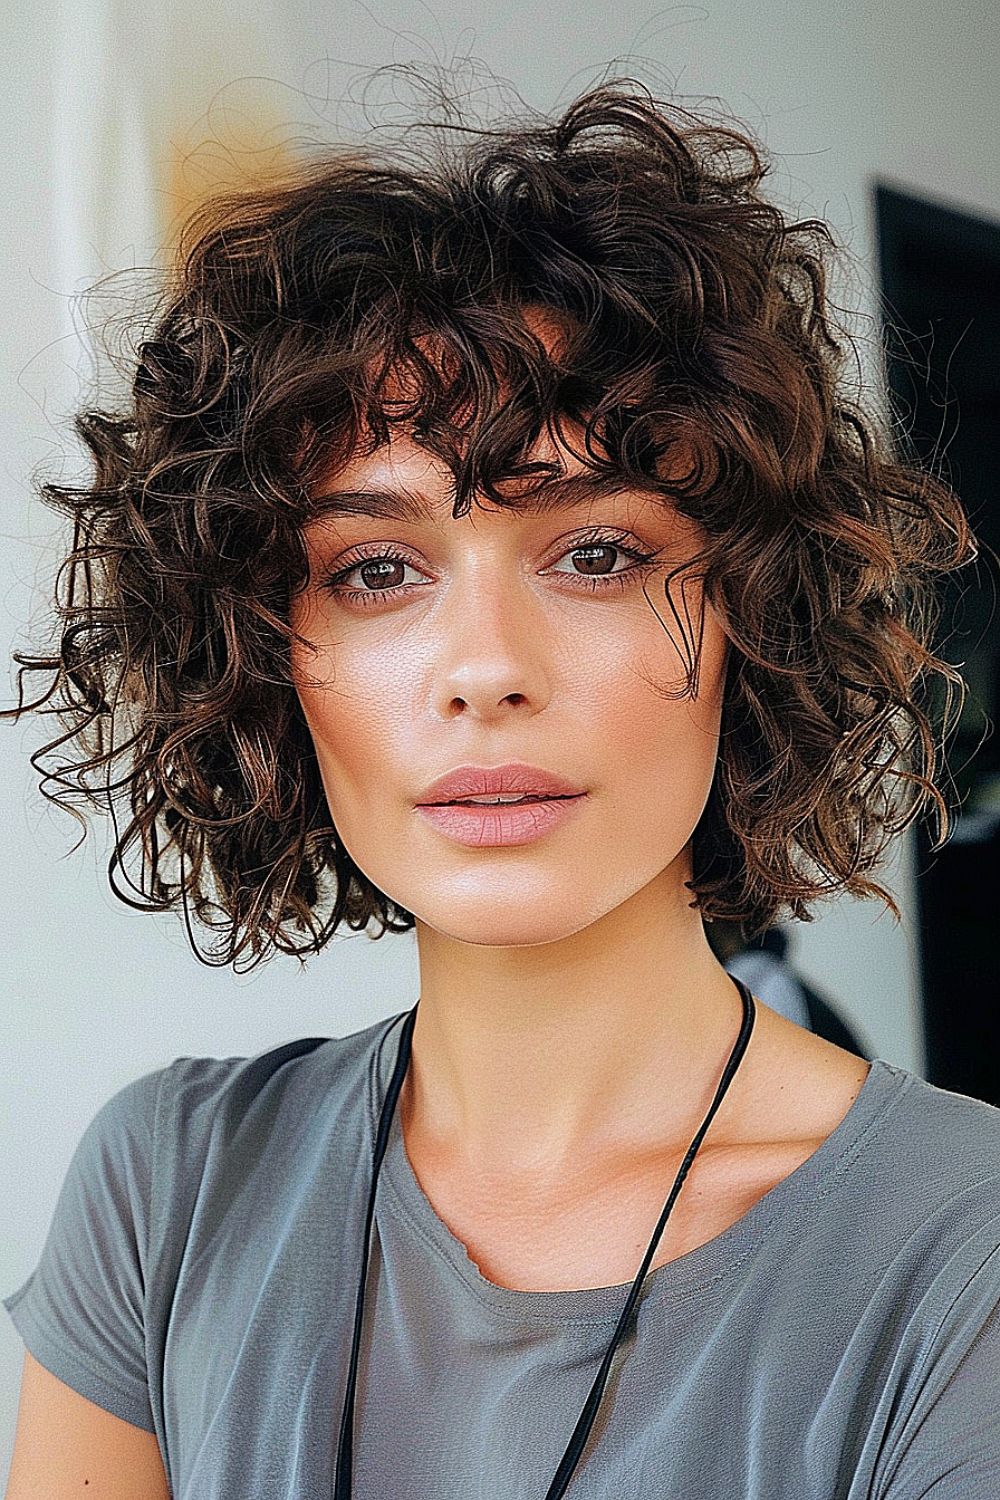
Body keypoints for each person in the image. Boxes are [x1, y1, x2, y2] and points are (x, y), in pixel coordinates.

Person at [4, 83, 997, 1500]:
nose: (484, 671)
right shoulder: (166, 1190)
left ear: (749, 619)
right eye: (375, 570)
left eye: (595, 553)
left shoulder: (964, 1256)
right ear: (266, 659)